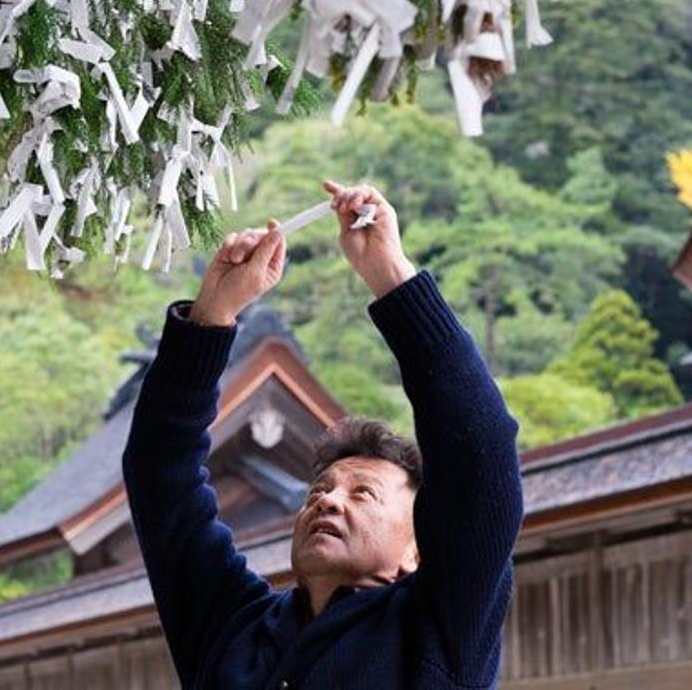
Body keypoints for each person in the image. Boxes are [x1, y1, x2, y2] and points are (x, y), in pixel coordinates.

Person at [122, 180, 524, 689]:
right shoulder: (231, 627)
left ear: (415, 552)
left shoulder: (440, 626)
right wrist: (211, 318)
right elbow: (160, 475)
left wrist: (391, 276)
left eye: (363, 493)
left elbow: (479, 452)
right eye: (320, 490)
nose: (328, 502)